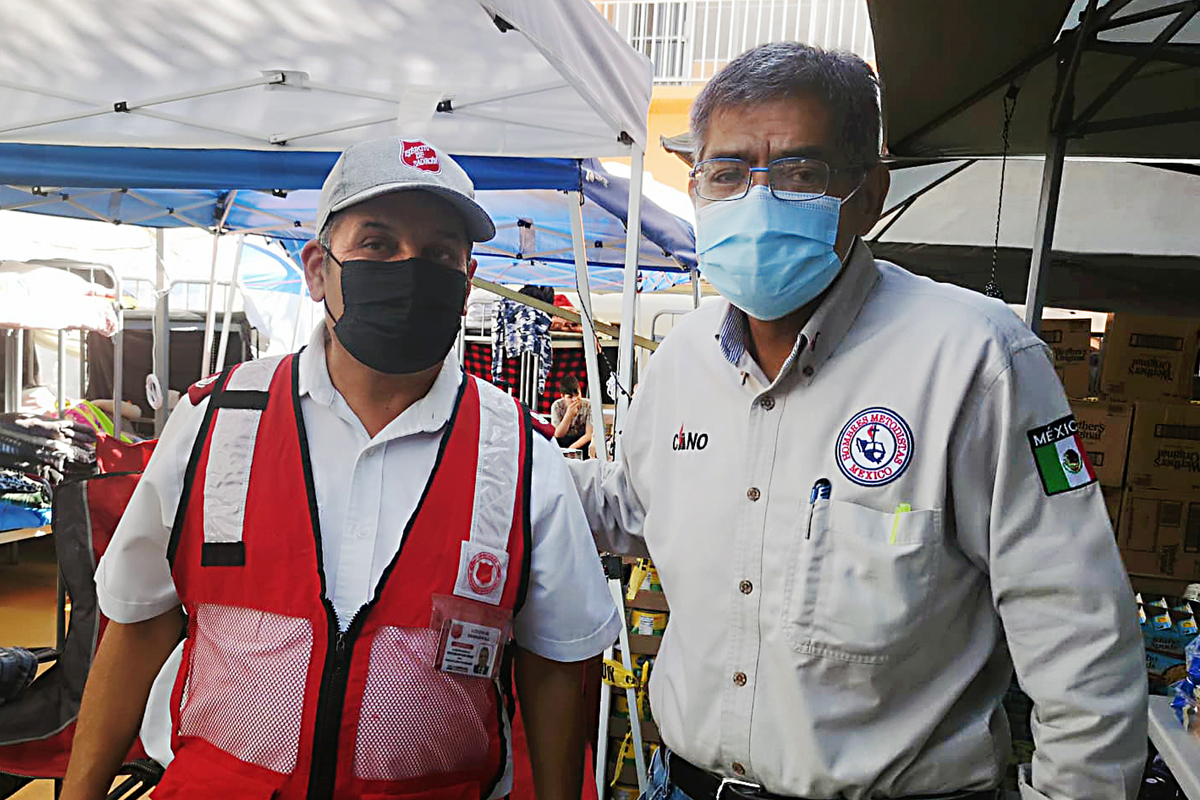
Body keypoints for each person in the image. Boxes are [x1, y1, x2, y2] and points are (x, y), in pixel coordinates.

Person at [569, 42, 1146, 800]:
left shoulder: (976, 360)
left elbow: (1081, 638)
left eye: (800, 173)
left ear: (868, 193)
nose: (758, 198)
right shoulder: (681, 361)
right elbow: (628, 508)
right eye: (730, 171)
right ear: (699, 184)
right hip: (684, 783)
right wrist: (488, 453)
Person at [62, 137, 621, 800]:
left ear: (467, 283)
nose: (411, 270)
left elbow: (553, 663)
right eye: (378, 245)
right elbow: (141, 619)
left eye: (440, 254)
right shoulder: (217, 420)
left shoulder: (521, 453)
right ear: (317, 269)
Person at [550, 375, 593, 457]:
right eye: (570, 397)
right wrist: (568, 415)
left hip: (581, 442)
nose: (575, 399)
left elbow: (589, 435)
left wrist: (571, 448)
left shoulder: (588, 405)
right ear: (562, 397)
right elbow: (557, 434)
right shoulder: (557, 406)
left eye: (577, 395)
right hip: (563, 440)